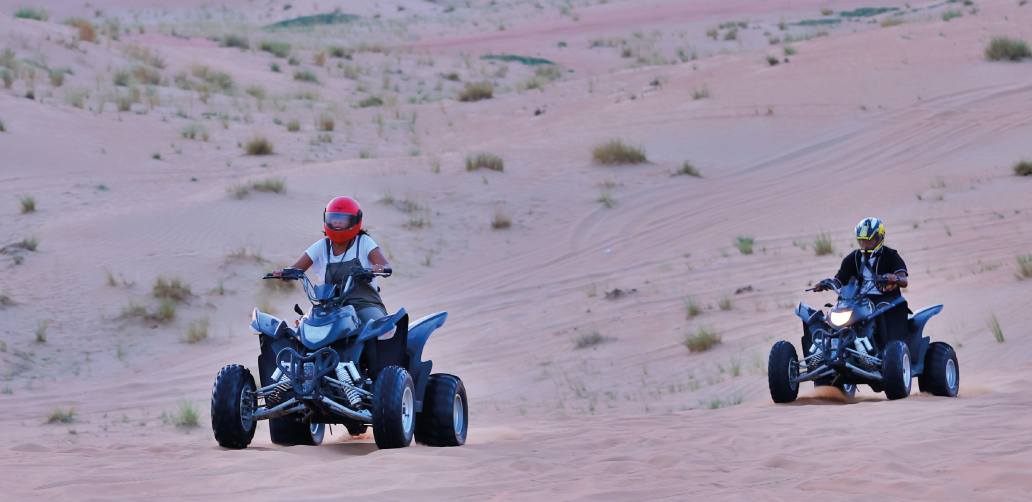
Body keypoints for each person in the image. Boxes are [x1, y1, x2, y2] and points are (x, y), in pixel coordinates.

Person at [274, 196, 391, 325]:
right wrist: (283, 272)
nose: (337, 223)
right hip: (331, 308)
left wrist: (379, 268)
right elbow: (297, 268)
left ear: (355, 220)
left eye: (343, 219)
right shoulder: (322, 246)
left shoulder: (363, 242)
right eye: (333, 219)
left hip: (364, 304)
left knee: (380, 328)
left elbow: (385, 265)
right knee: (305, 330)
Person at [813, 217, 909, 347]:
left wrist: (894, 278)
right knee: (833, 314)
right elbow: (840, 280)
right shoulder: (853, 257)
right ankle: (829, 344)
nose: (865, 244)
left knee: (880, 311)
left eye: (870, 241)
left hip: (885, 298)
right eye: (862, 241)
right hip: (858, 298)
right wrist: (826, 284)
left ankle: (888, 348)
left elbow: (904, 281)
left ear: (880, 238)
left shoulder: (891, 255)